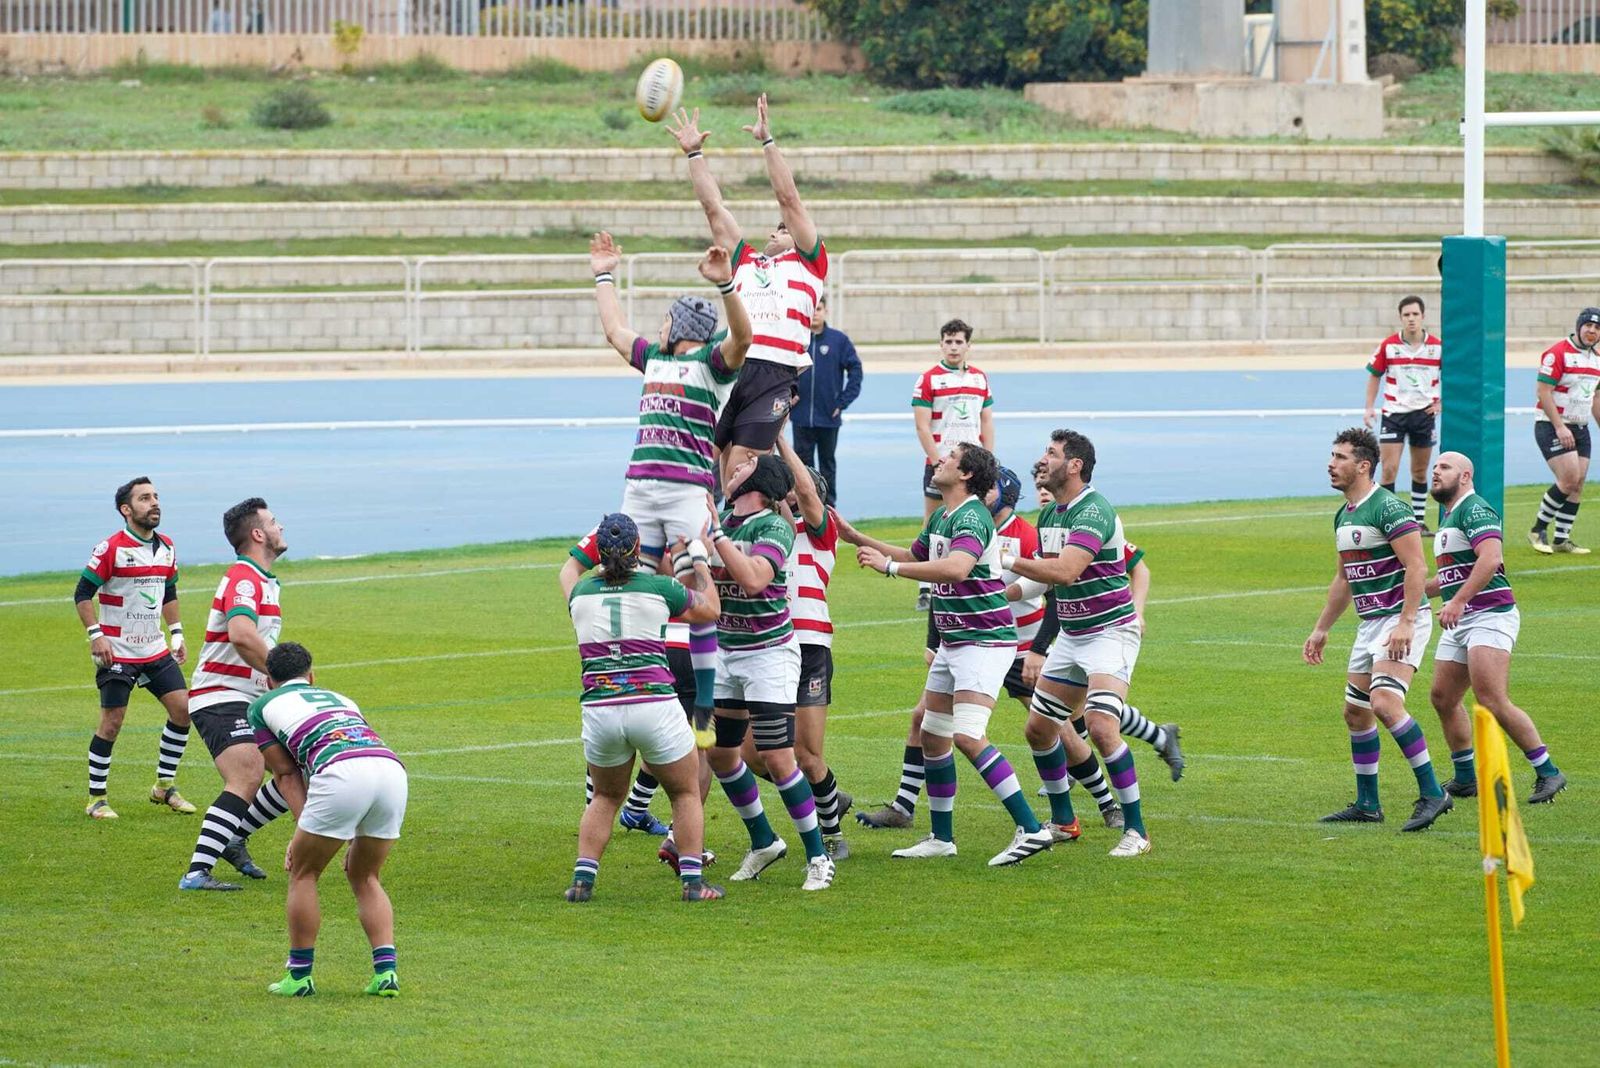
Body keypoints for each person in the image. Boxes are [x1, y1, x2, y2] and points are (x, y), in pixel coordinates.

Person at [849, 444, 1054, 867]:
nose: (939, 458)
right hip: (956, 641)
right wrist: (856, 538)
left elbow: (956, 569)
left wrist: (888, 570)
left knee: (967, 735)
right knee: (932, 732)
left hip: (984, 641)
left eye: (949, 457)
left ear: (964, 475)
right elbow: (915, 556)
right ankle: (941, 837)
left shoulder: (972, 516)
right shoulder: (944, 515)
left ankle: (1031, 829)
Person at [590, 230, 752, 730]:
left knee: (694, 590)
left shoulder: (710, 365)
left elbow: (742, 338)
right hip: (639, 488)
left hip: (685, 492)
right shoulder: (655, 359)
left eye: (664, 320)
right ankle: (639, 677)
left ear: (678, 326)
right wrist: (603, 274)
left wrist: (727, 286)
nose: (656, 327)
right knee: (630, 584)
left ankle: (702, 706)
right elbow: (616, 331)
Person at [560, 514, 726, 903]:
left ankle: (582, 883)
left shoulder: (580, 595)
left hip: (601, 710)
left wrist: (593, 539)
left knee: (604, 798)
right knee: (685, 792)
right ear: (638, 550)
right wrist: (699, 556)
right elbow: (711, 608)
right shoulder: (660, 587)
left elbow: (568, 569)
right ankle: (692, 883)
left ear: (600, 553)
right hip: (654, 706)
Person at [1006, 431, 1154, 858]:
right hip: (1073, 635)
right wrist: (1006, 595)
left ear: (1075, 466)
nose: (1041, 461)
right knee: (1038, 729)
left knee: (1103, 725)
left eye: (1050, 454)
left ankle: (1137, 832)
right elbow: (1043, 577)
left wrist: (1005, 558)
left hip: (1110, 632)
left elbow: (1067, 572)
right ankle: (1065, 822)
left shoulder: (1094, 510)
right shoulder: (1052, 515)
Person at [667, 96, 826, 490]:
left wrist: (767, 142)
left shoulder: (810, 262)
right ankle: (705, 540)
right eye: (779, 229)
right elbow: (714, 209)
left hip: (774, 373)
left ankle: (754, 544)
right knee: (705, 464)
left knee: (744, 472)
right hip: (730, 364)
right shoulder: (744, 261)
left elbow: (789, 200)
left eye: (789, 228)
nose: (783, 230)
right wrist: (694, 154)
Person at [1303, 428, 1451, 832]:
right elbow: (1344, 580)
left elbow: (1417, 567)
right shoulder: (1344, 514)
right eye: (1331, 456)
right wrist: (1321, 629)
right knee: (1356, 712)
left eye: (1340, 457)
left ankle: (1434, 793)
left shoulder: (1389, 508)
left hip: (1401, 620)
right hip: (1371, 623)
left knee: (1385, 705)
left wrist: (1406, 621)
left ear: (1364, 465)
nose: (1331, 464)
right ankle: (1368, 804)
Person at [705, 454, 835, 891]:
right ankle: (764, 840)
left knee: (779, 756)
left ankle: (818, 857)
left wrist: (715, 537)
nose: (732, 471)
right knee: (719, 753)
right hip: (724, 651)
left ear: (758, 483)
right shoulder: (722, 519)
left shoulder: (773, 527)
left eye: (741, 468)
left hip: (769, 654)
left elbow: (755, 580)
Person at [248, 643, 408, 997]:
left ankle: (300, 976)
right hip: (391, 771)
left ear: (268, 681)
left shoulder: (260, 706)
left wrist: (300, 832)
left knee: (303, 873)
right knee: (365, 875)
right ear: (312, 676)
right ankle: (386, 974)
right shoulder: (342, 698)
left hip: (340, 773)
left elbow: (287, 773)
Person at [1425, 453, 1567, 805]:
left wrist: (1456, 602)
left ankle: (1548, 771)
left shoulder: (1475, 510)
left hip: (1490, 614)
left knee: (1491, 698)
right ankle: (1465, 777)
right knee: (1443, 697)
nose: (1435, 472)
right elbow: (1449, 576)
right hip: (1464, 617)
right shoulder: (1449, 516)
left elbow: (1490, 559)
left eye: (1444, 467)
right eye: (1434, 468)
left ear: (1466, 475)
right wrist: (1405, 593)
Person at [179, 498, 294, 890]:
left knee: (292, 770)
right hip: (220, 694)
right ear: (259, 533)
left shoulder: (264, 581)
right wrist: (283, 675)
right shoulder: (244, 578)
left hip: (250, 698)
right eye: (274, 521)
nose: (281, 527)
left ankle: (233, 834)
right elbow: (242, 635)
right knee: (246, 773)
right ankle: (196, 873)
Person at [747, 435, 853, 859]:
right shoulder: (770, 533)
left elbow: (805, 491)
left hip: (809, 648)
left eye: (796, 489)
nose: (790, 494)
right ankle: (827, 795)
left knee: (807, 754)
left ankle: (831, 835)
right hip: (770, 647)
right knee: (752, 753)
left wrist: (777, 434)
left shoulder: (821, 534)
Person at [75, 477, 195, 819]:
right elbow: (82, 594)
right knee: (112, 722)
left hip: (155, 649)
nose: (154, 503)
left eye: (156, 496)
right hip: (116, 651)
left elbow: (168, 592)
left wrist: (176, 633)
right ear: (126, 510)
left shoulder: (168, 547)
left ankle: (163, 787)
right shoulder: (111, 548)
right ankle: (97, 799)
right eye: (145, 498)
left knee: (183, 711)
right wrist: (95, 635)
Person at [911, 319, 993, 611]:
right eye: (948, 341)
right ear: (941, 344)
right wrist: (937, 462)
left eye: (959, 341)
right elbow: (922, 426)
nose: (954, 346)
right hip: (942, 464)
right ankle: (926, 587)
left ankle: (980, 575)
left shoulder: (980, 378)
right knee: (933, 523)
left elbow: (986, 420)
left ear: (968, 345)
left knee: (980, 519)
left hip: (973, 465)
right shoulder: (929, 379)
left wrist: (989, 460)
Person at [1363, 295, 1442, 529]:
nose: (1411, 319)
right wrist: (1369, 407)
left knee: (1419, 471)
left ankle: (1418, 521)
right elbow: (1374, 376)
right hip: (1394, 414)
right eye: (1406, 315)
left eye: (1415, 314)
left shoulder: (1437, 347)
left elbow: (1456, 377)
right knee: (1389, 469)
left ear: (1423, 316)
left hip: (1423, 415)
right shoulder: (1389, 346)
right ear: (1400, 318)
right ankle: (1391, 521)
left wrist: (1441, 404)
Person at [1527, 306, 1600, 553]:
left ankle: (1561, 540)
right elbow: (1543, 391)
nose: (1592, 331)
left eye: (1597, 328)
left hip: (1580, 426)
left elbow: (1596, 398)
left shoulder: (1597, 358)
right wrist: (1559, 426)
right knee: (1568, 479)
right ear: (1579, 326)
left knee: (1578, 482)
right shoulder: (1557, 353)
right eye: (1588, 325)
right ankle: (1537, 530)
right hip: (1552, 425)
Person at [790, 295, 862, 505]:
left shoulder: (838, 340)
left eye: (818, 309)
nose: (815, 314)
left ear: (825, 311)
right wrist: (788, 395)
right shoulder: (797, 340)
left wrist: (842, 402)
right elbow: (783, 369)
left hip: (828, 417)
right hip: (801, 416)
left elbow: (856, 371)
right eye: (811, 310)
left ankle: (829, 508)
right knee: (802, 466)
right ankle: (804, 506)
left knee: (827, 464)